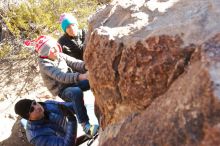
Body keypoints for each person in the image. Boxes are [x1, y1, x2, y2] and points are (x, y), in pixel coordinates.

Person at [34, 35, 98, 137]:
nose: (55, 50)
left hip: (72, 82)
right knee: (76, 92)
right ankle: (86, 126)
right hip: (62, 89)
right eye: (51, 49)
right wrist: (82, 76)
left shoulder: (58, 55)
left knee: (93, 81)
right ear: (45, 53)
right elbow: (61, 76)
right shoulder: (45, 65)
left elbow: (74, 62)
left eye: (55, 46)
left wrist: (86, 65)